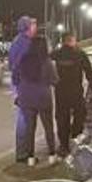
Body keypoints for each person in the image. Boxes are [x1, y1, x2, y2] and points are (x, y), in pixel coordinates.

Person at [14, 35, 59, 165]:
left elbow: (16, 78)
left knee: (29, 129)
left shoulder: (23, 60)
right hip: (43, 98)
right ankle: (52, 156)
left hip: (26, 98)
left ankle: (30, 158)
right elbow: (54, 80)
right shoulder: (47, 62)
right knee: (48, 127)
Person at [51, 32, 92, 156]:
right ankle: (76, 140)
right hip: (76, 91)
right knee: (80, 115)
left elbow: (47, 69)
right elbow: (89, 73)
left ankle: (64, 145)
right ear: (72, 40)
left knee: (62, 118)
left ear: (62, 41)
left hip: (61, 92)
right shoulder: (80, 54)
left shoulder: (56, 54)